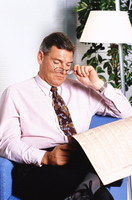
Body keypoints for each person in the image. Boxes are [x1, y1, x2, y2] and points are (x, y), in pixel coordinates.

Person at [0, 32, 132, 200]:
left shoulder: (82, 89)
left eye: (68, 64)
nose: (63, 71)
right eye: (57, 63)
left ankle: (79, 193)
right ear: (41, 57)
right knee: (102, 196)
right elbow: (5, 143)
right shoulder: (15, 93)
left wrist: (97, 84)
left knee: (106, 159)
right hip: (38, 165)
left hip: (79, 159)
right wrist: (46, 157)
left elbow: (127, 114)